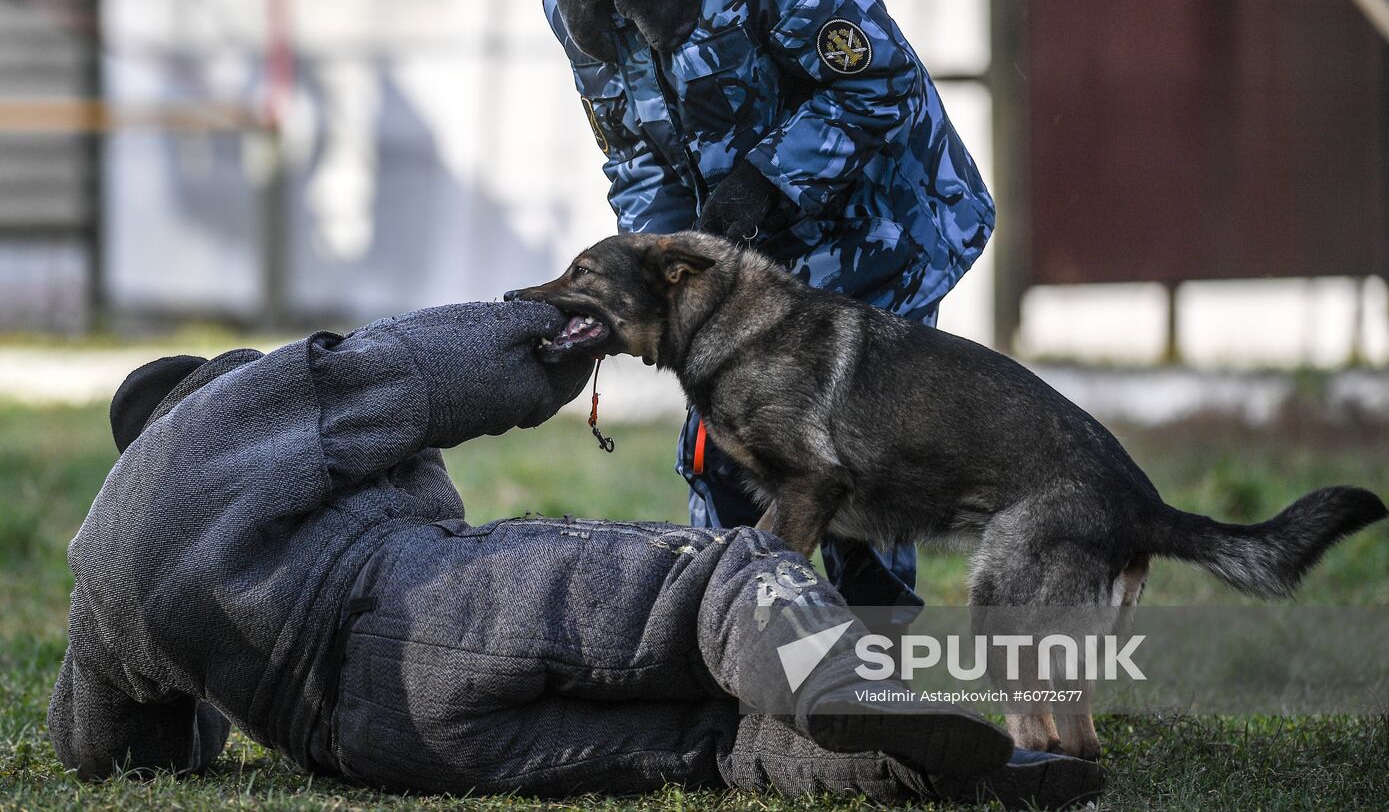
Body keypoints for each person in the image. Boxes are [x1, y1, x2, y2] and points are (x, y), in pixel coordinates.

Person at [48, 301, 1102, 807]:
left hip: (379, 748)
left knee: (710, 750)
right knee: (715, 585)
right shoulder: (241, 406)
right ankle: (847, 687)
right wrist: (562, 334)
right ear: (208, 384)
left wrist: (198, 715)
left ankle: (940, 776)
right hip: (418, 606)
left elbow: (105, 750)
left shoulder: (104, 563)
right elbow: (410, 371)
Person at [482, 0, 996, 620]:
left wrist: (762, 186)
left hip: (875, 227)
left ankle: (879, 662)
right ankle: (734, 646)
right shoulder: (576, 0)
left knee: (846, 450)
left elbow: (877, 85)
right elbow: (632, 154)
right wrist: (657, 268)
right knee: (723, 440)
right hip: (732, 247)